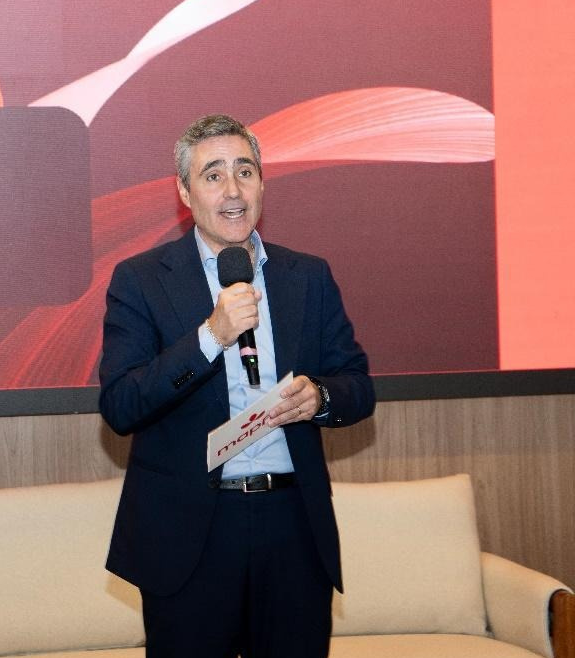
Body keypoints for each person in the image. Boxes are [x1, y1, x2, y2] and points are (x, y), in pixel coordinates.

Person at [98, 114, 375, 658]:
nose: (232, 190)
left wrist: (319, 398)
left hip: (292, 526)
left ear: (262, 185)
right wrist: (211, 336)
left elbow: (358, 386)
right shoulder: (141, 280)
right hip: (192, 533)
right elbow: (122, 404)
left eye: (245, 172)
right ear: (185, 193)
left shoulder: (307, 276)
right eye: (213, 175)